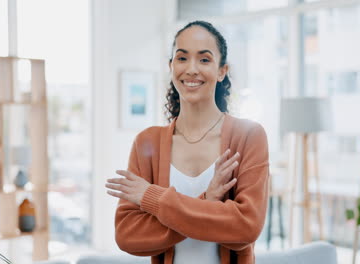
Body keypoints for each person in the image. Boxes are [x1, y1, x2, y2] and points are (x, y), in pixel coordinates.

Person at [105, 20, 269, 264]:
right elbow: (128, 235)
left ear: (222, 70)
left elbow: (245, 228)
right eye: (182, 58)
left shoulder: (248, 136)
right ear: (171, 67)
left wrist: (152, 197)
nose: (191, 69)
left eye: (204, 60)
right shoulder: (146, 142)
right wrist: (207, 203)